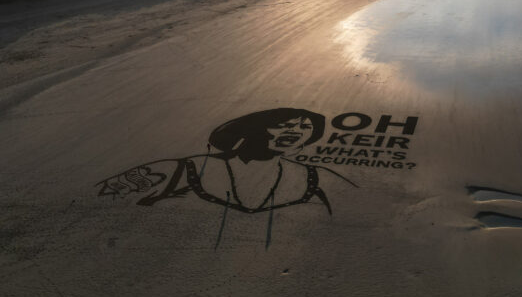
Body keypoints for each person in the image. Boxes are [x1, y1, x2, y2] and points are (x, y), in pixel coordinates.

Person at [97, 108, 355, 214]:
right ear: (254, 129)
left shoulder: (317, 178)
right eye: (285, 125)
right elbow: (100, 203)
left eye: (304, 129)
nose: (295, 131)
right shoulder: (180, 170)